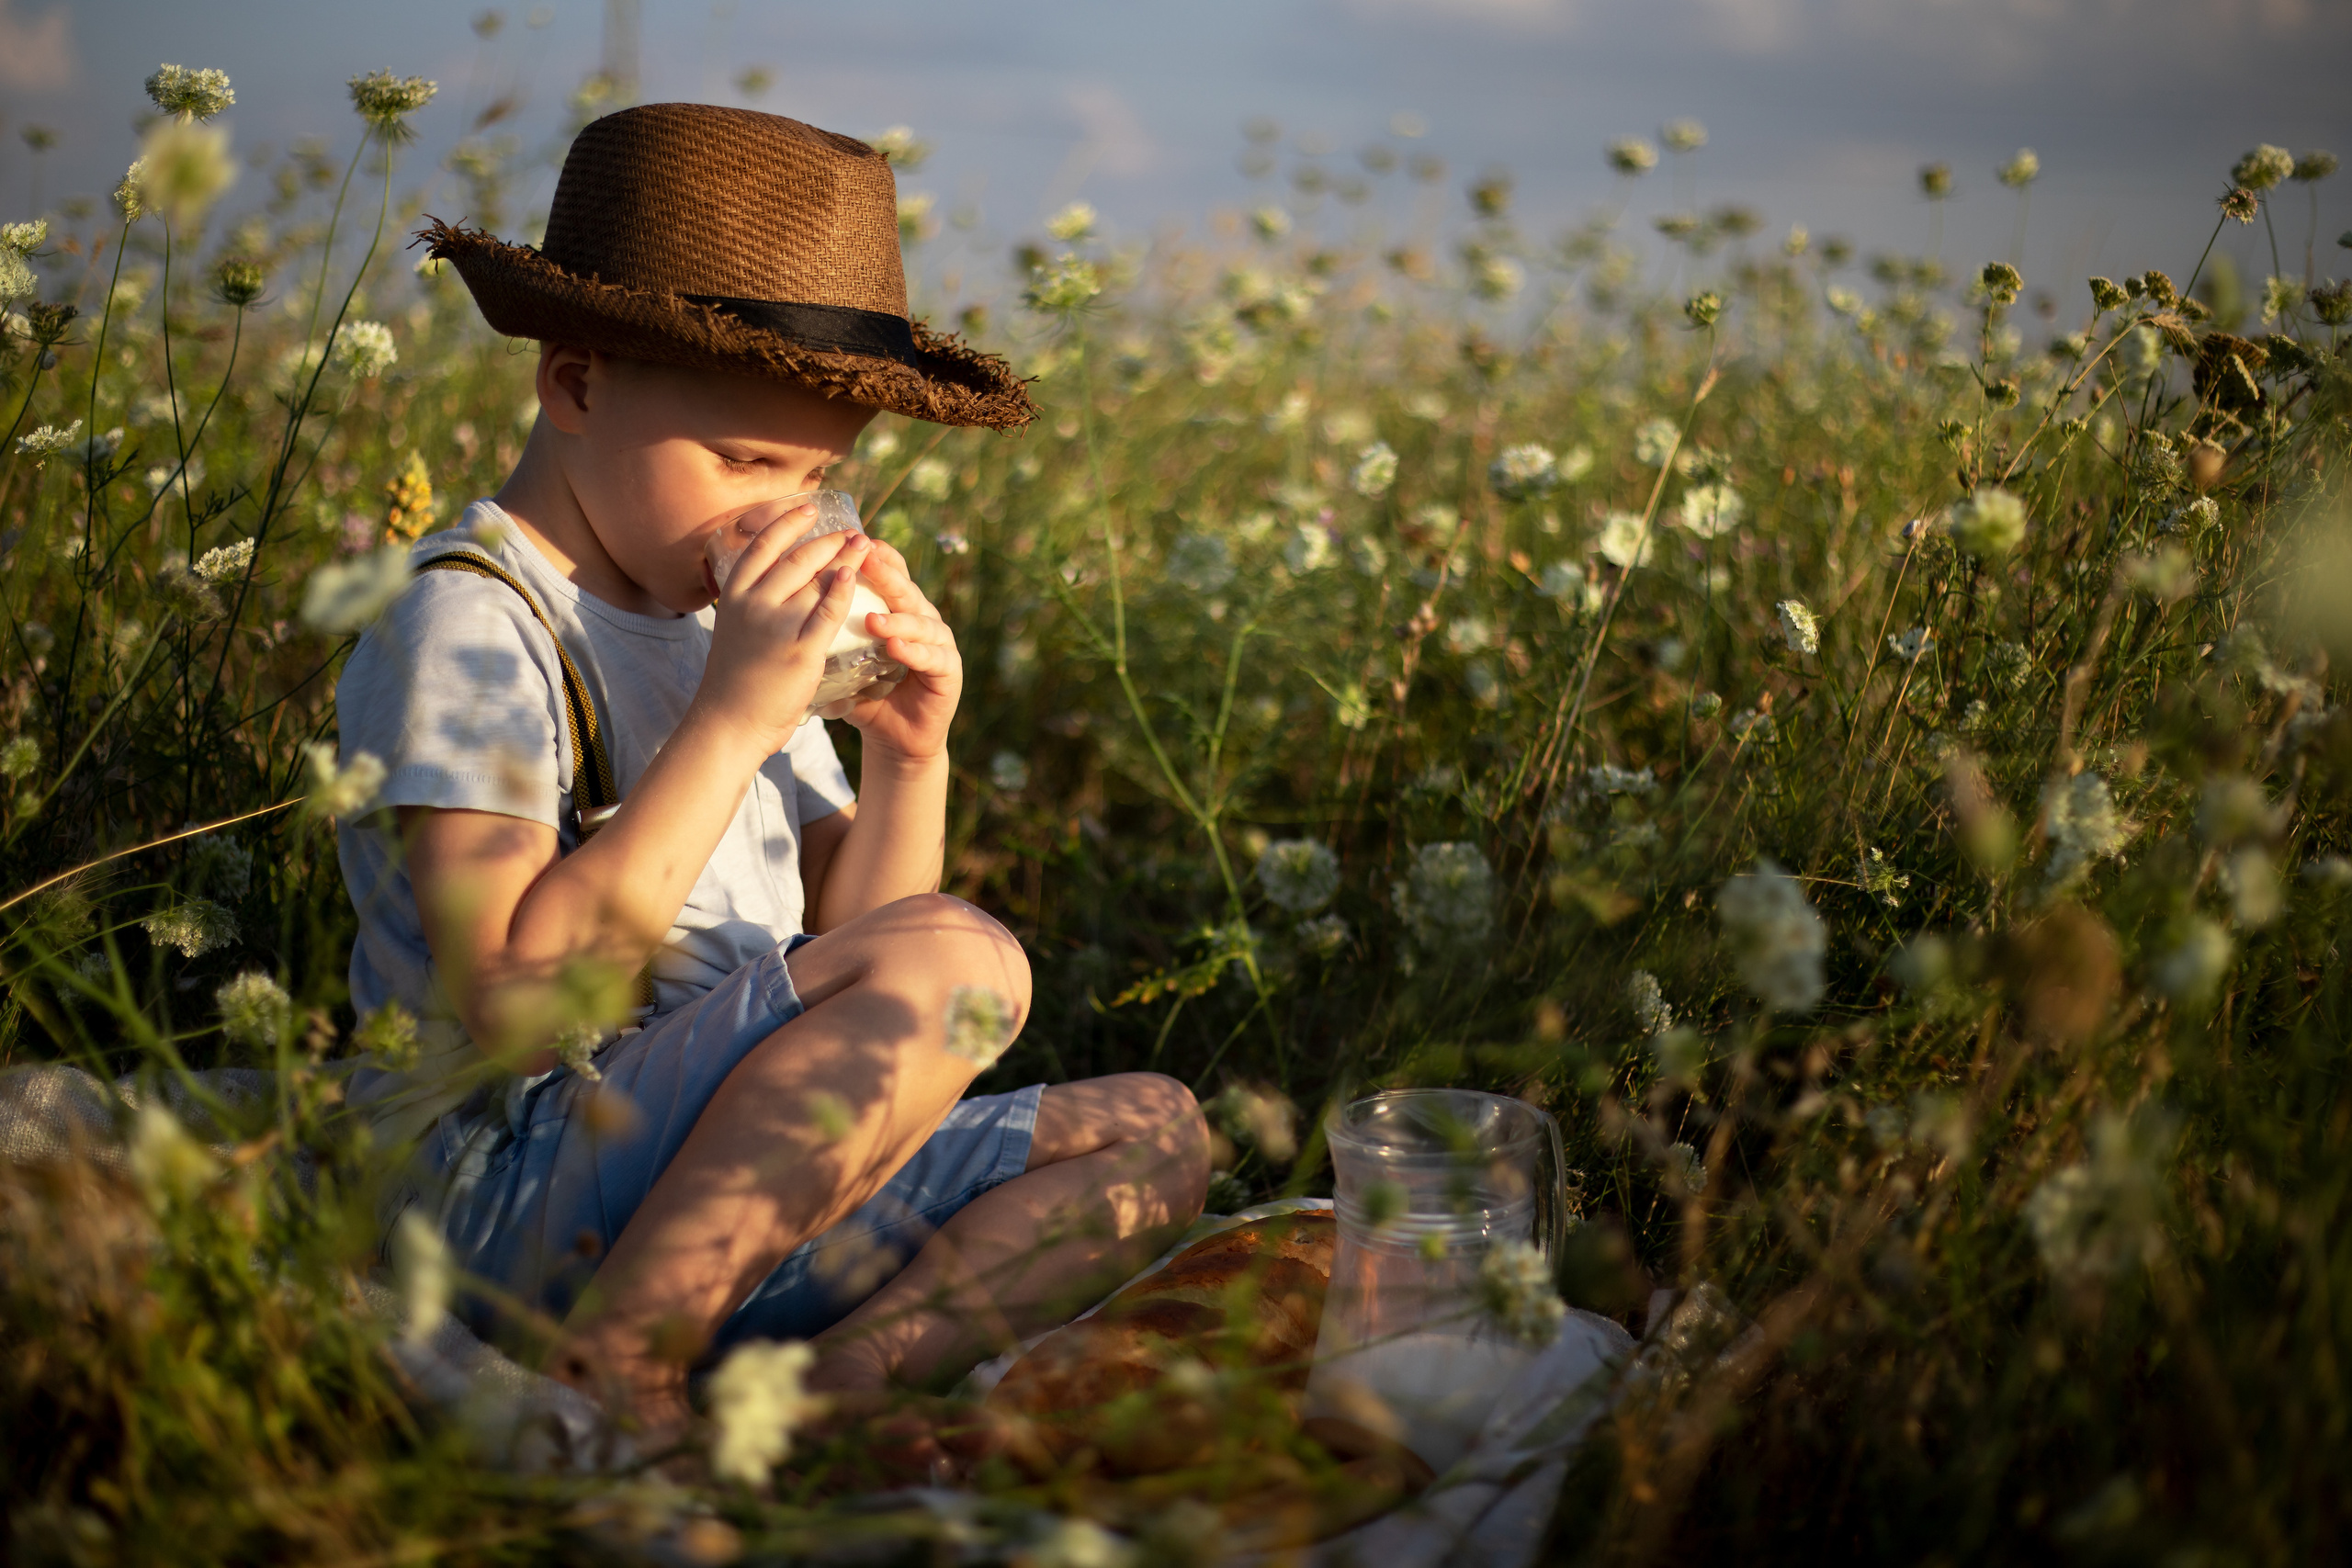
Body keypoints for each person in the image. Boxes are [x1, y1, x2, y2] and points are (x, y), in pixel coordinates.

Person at [334, 104, 1209, 1449]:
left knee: (1160, 1136)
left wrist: (908, 754)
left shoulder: (717, 629)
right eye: (743, 461)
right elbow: (513, 1006)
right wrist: (737, 713)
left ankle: (824, 1398)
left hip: (710, 1191)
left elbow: (859, 958)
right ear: (574, 386)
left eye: (816, 479)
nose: (780, 519)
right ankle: (612, 1376)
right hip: (503, 1187)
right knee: (973, 959)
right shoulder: (472, 618)